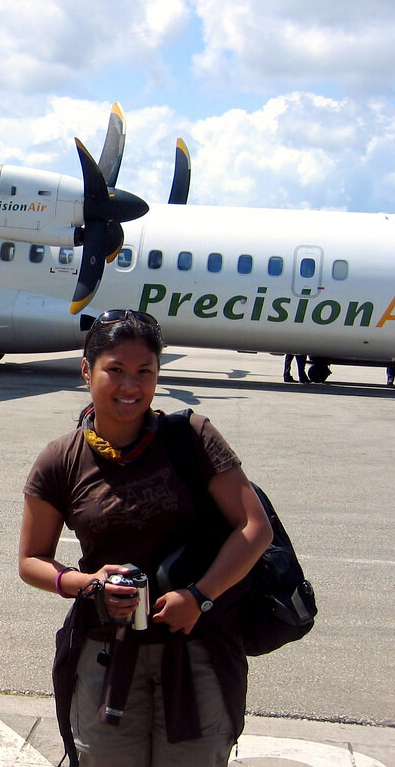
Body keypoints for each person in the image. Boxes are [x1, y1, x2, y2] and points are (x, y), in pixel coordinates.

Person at [18, 309, 272, 767]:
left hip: (196, 650)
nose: (130, 386)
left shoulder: (191, 437)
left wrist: (199, 596)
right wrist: (89, 583)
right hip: (104, 654)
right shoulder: (61, 459)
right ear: (86, 370)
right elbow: (32, 561)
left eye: (145, 372)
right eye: (115, 370)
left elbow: (254, 528)